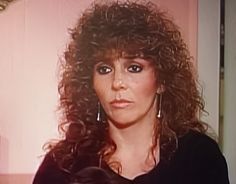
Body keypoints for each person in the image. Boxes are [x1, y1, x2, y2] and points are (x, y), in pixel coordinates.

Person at [32, 1, 230, 184]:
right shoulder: (62, 167)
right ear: (89, 83)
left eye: (134, 68)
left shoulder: (199, 158)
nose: (117, 83)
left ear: (161, 80)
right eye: (104, 69)